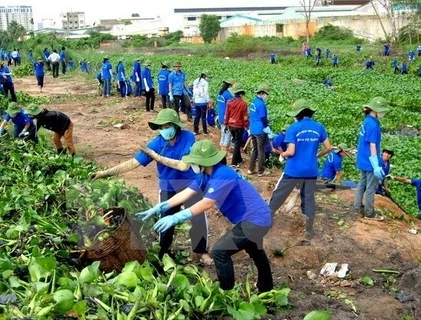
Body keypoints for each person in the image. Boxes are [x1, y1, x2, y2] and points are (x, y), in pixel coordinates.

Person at [135, 140, 274, 293]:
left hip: (256, 220)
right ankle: (266, 286)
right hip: (253, 219)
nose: (191, 165)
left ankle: (226, 291)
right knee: (255, 250)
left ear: (203, 162)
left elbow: (207, 203)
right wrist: (163, 206)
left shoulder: (222, 174)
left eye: (193, 161)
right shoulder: (205, 175)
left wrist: (177, 217)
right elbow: (186, 193)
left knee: (220, 252)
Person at [90, 109, 212, 265]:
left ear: (175, 126)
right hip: (168, 186)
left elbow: (184, 166)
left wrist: (155, 156)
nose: (164, 130)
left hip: (190, 185)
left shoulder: (188, 137)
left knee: (198, 217)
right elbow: (132, 163)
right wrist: (104, 173)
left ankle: (202, 252)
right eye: (161, 127)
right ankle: (163, 254)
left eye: (167, 126)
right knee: (165, 220)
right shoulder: (155, 143)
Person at [268, 100, 331, 243]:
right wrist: (316, 156)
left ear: (297, 114)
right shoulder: (319, 127)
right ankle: (308, 231)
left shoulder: (293, 128)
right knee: (308, 199)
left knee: (278, 195)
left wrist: (282, 154)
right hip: (311, 170)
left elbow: (291, 151)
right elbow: (328, 147)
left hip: (293, 170)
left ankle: (267, 223)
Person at [354, 96, 389, 221]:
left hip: (362, 158)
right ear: (376, 110)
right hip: (370, 161)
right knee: (370, 187)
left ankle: (357, 207)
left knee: (361, 184)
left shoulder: (367, 121)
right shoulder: (373, 125)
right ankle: (369, 213)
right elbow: (373, 145)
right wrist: (375, 165)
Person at [248, 84, 271, 177]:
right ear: (262, 93)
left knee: (255, 149)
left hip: (253, 129)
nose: (267, 96)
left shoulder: (253, 102)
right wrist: (266, 126)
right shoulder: (261, 104)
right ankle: (261, 171)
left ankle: (251, 168)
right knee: (261, 150)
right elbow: (263, 117)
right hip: (260, 130)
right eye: (266, 94)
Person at [223, 83, 248, 167]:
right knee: (237, 143)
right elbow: (245, 117)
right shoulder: (243, 103)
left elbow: (227, 114)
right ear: (241, 93)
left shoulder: (229, 102)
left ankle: (239, 159)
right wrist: (246, 126)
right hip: (239, 126)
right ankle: (234, 163)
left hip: (231, 125)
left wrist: (225, 124)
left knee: (236, 142)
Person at [216, 79, 235, 153]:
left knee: (223, 134)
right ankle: (224, 153)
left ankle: (221, 150)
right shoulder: (228, 95)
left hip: (220, 117)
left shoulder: (220, 93)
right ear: (230, 86)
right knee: (227, 136)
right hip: (226, 118)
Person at [192, 71, 212, 135]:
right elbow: (205, 93)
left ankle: (195, 130)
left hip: (197, 101)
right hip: (203, 102)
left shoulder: (195, 81)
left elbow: (194, 92)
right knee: (203, 117)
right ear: (205, 76)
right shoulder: (205, 83)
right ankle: (205, 131)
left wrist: (194, 99)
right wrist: (208, 101)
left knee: (197, 116)